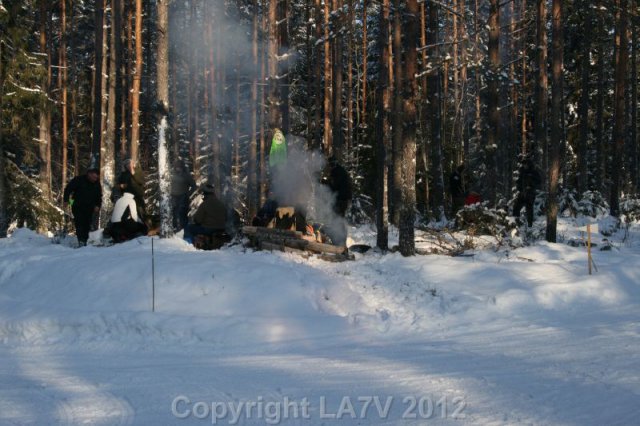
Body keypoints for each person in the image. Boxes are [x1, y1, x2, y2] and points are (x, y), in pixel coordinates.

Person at [63, 167, 102, 247]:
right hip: (77, 205)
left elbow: (99, 196)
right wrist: (66, 200)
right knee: (79, 222)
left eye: (96, 177)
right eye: (94, 176)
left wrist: (98, 205)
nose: (95, 178)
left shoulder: (97, 184)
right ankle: (81, 240)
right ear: (89, 174)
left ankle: (84, 240)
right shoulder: (79, 180)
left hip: (90, 207)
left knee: (87, 224)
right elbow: (68, 189)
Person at [321, 156, 352, 246]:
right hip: (343, 199)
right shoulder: (340, 170)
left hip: (341, 200)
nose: (330, 166)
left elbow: (334, 187)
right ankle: (340, 241)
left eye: (330, 164)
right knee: (339, 220)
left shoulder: (337, 172)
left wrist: (324, 182)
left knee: (337, 220)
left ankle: (340, 242)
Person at [513, 156, 541, 227]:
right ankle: (515, 223)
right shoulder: (522, 171)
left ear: (529, 164)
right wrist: (519, 188)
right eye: (523, 164)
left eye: (525, 164)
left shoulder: (533, 172)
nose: (524, 165)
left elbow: (539, 182)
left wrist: (531, 185)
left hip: (530, 194)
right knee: (516, 207)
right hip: (522, 193)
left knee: (529, 209)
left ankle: (530, 225)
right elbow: (519, 181)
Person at [170, 160, 196, 231]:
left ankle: (184, 230)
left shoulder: (186, 175)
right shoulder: (172, 174)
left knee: (182, 214)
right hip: (173, 197)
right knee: (174, 214)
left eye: (179, 167)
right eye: (176, 167)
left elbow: (194, 186)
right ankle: (174, 229)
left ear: (182, 167)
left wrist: (188, 193)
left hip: (183, 197)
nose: (178, 168)